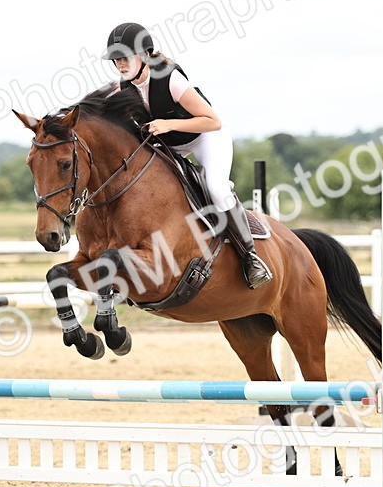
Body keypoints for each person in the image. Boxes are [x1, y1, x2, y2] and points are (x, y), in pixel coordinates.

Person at [102, 22, 272, 289]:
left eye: (125, 57)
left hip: (205, 137)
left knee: (215, 187)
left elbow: (212, 120)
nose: (120, 64)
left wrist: (169, 124)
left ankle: (250, 257)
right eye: (116, 59)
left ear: (144, 55)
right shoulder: (120, 87)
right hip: (169, 144)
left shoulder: (170, 79)